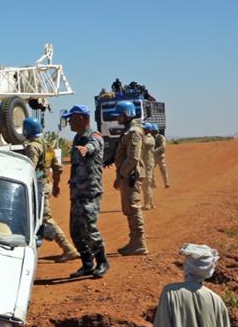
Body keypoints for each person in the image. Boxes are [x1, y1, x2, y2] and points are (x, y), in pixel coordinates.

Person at [21, 117, 79, 262]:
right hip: (47, 184)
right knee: (37, 219)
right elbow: (58, 168)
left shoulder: (33, 147)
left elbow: (30, 169)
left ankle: (68, 248)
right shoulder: (47, 146)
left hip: (39, 187)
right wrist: (56, 185)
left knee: (45, 218)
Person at [63, 105, 109, 278]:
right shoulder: (77, 138)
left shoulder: (94, 137)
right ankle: (87, 264)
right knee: (75, 231)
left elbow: (93, 146)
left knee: (89, 228)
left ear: (82, 118)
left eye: (71, 118)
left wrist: (86, 149)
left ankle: (102, 261)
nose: (69, 122)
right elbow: (76, 165)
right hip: (77, 192)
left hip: (90, 191)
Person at [112, 101, 148, 255]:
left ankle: (139, 243)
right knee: (129, 208)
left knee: (133, 208)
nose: (117, 119)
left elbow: (133, 158)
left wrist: (121, 175)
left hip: (130, 176)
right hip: (127, 175)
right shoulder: (129, 130)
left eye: (119, 115)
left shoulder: (133, 132)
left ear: (126, 114)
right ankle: (134, 241)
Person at [141, 123, 157, 210]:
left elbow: (145, 143)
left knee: (146, 184)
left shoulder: (150, 138)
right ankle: (151, 203)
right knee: (146, 184)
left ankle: (147, 204)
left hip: (148, 164)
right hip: (145, 163)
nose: (142, 130)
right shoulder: (145, 137)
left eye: (144, 129)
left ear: (148, 130)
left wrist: (139, 136)